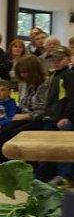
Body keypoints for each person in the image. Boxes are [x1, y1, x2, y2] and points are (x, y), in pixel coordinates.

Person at [0, 54, 48, 166]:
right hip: (23, 115)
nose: (23, 75)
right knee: (5, 129)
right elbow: (22, 103)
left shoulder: (45, 84)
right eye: (21, 72)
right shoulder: (23, 83)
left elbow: (45, 109)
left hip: (39, 118)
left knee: (16, 132)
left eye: (26, 72)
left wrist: (27, 115)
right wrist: (23, 113)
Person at [39, 46, 73, 185]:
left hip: (61, 117)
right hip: (50, 116)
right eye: (53, 59)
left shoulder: (68, 75)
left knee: (61, 147)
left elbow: (71, 98)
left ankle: (64, 175)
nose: (56, 62)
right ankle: (44, 175)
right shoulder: (54, 74)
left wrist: (66, 116)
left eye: (60, 59)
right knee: (48, 147)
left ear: (68, 59)